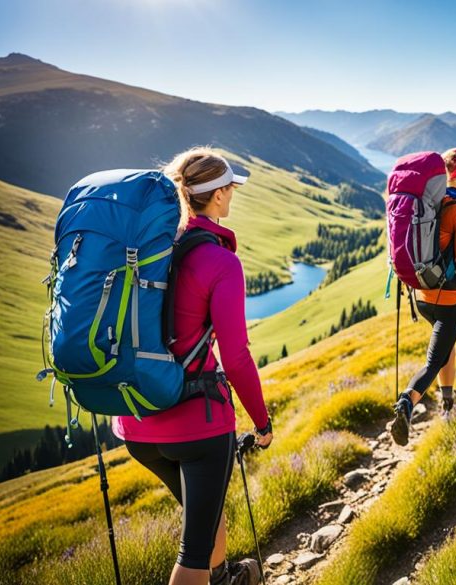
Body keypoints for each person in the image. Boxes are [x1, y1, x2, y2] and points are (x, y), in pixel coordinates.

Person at [112, 148, 273, 585]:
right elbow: (236, 357)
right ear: (218, 195)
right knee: (193, 551)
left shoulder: (153, 248)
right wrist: (262, 422)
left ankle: (220, 578)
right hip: (197, 426)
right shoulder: (221, 261)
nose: (232, 195)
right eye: (231, 188)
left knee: (205, 513)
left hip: (136, 423)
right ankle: (210, 574)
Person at [389, 147, 456, 446]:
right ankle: (407, 402)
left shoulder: (430, 207)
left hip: (422, 296)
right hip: (450, 302)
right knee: (434, 360)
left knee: (445, 347)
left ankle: (448, 404)